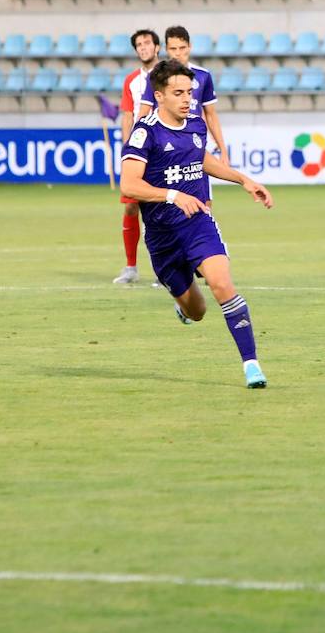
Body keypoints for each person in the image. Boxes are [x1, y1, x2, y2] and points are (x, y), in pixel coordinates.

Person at [119, 59, 274, 389]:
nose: (187, 99)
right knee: (198, 310)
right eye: (179, 93)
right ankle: (184, 308)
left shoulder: (195, 125)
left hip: (197, 222)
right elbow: (129, 185)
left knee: (221, 284)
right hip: (162, 238)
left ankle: (252, 366)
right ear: (159, 96)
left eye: (190, 92)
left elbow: (201, 159)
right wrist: (172, 196)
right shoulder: (145, 133)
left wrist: (243, 180)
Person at [138, 25, 228, 162]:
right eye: (173, 49)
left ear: (190, 46)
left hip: (194, 137)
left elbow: (211, 114)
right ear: (166, 49)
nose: (178, 53)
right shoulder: (156, 75)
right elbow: (144, 112)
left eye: (182, 48)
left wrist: (223, 150)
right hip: (164, 140)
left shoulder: (203, 75)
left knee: (199, 180)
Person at [115, 29, 162, 285]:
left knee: (161, 209)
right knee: (131, 205)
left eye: (147, 43)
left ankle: (164, 269)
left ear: (157, 47)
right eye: (139, 45)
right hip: (139, 151)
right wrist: (127, 148)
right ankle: (131, 267)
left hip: (162, 150)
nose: (143, 48)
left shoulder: (167, 74)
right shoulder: (131, 80)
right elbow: (127, 115)